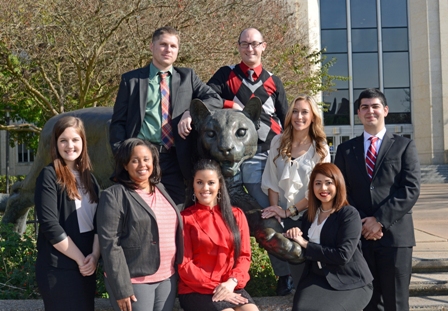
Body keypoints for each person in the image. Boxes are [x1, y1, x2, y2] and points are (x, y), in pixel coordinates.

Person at [207, 27, 290, 295]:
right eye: (244, 44)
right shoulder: (226, 75)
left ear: (264, 46)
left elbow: (285, 117)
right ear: (239, 46)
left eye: (254, 44)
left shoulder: (274, 81)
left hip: (265, 153)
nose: (249, 48)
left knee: (266, 210)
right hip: (233, 151)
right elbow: (208, 99)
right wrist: (235, 108)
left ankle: (285, 274)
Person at [109, 26, 222, 205]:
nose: (168, 49)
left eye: (173, 46)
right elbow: (118, 123)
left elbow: (215, 99)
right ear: (152, 47)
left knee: (175, 210)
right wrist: (123, 153)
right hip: (141, 157)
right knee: (140, 210)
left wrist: (190, 113)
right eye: (163, 44)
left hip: (175, 158)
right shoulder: (131, 80)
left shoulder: (188, 77)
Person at [334, 88, 421, 311]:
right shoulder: (345, 150)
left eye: (375, 106)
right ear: (358, 113)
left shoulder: (404, 146)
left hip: (396, 238)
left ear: (385, 110)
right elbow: (341, 191)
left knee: (396, 303)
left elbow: (410, 189)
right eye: (364, 107)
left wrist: (379, 220)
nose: (370, 111)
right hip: (360, 237)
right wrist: (364, 223)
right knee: (367, 302)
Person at [97, 138, 183, 311]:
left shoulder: (161, 189)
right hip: (134, 281)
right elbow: (109, 244)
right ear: (125, 165)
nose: (141, 165)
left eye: (146, 159)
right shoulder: (114, 195)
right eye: (134, 160)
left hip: (167, 277)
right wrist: (121, 288)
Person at [261, 95, 330, 286]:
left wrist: (289, 212)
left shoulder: (320, 148)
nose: (299, 116)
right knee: (270, 235)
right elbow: (271, 180)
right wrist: (276, 212)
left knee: (304, 264)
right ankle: (284, 281)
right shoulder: (278, 142)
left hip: (309, 215)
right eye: (295, 112)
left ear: (313, 117)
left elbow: (319, 191)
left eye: (305, 112)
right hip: (282, 214)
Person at [285, 163, 374, 311]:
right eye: (318, 183)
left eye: (328, 183)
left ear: (338, 185)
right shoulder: (309, 216)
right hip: (317, 277)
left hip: (350, 281)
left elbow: (342, 255)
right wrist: (294, 233)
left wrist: (306, 244)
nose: (323, 188)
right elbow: (300, 244)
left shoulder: (349, 214)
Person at [35, 116, 100, 311]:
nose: (69, 145)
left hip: (87, 267)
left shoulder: (91, 179)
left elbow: (100, 223)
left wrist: (94, 257)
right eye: (63, 140)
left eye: (75, 140)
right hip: (59, 269)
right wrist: (81, 259)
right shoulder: (48, 176)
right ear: (55, 143)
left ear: (83, 143)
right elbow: (50, 225)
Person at [178, 159, 259, 311]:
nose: (205, 188)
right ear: (193, 185)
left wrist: (232, 282)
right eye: (200, 182)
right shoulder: (185, 219)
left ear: (220, 185)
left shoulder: (237, 215)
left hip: (229, 284)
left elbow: (244, 256)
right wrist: (217, 287)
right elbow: (185, 266)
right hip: (196, 288)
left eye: (211, 182)